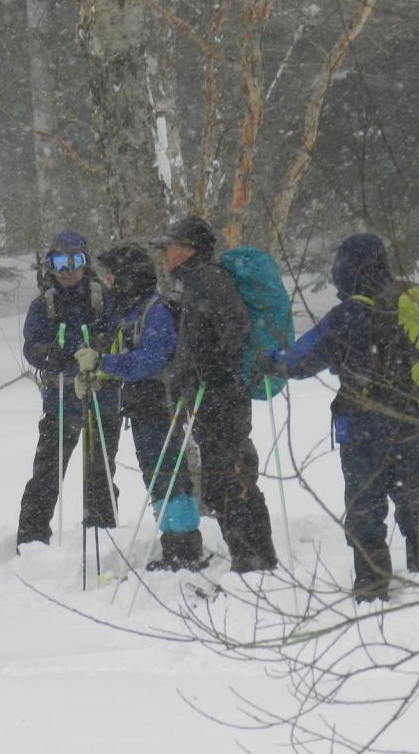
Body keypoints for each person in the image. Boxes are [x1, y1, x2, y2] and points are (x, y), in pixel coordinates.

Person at [254, 232, 419, 602]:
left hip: (363, 426)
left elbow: (300, 361)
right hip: (407, 418)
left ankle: (372, 587)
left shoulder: (347, 315)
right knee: (411, 494)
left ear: (347, 269)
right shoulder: (408, 302)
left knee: (365, 507)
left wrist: (269, 361)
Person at [153, 216, 278, 574]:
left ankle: (255, 561)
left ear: (189, 249)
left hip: (223, 397)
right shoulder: (194, 284)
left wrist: (211, 367)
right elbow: (200, 340)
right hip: (212, 398)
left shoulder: (209, 279)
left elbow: (234, 326)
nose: (164, 254)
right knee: (224, 482)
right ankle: (252, 558)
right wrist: (185, 375)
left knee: (230, 481)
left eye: (170, 246)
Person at [77, 245, 206, 571]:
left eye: (111, 276)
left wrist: (105, 363)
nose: (107, 283)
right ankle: (174, 542)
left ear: (127, 278)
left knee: (167, 474)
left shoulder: (156, 311)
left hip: (161, 407)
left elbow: (149, 360)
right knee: (157, 475)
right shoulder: (132, 313)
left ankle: (184, 547)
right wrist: (100, 372)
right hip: (142, 408)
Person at [16, 231, 121, 550]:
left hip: (101, 400)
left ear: (85, 262)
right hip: (59, 402)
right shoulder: (44, 304)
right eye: (60, 261)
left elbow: (119, 335)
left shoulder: (103, 299)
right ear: (50, 265)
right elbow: (31, 346)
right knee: (47, 474)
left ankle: (102, 535)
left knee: (100, 472)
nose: (67, 269)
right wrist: (54, 356)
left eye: (75, 260)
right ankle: (32, 540)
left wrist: (99, 353)